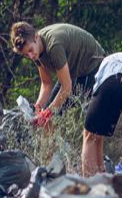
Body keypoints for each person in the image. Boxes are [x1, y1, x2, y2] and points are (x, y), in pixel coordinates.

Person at [10, 21, 107, 172]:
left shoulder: (53, 46)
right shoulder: (36, 51)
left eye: (30, 50)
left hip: (93, 67)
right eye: (25, 55)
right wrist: (37, 108)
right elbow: (46, 83)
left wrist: (47, 113)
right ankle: (48, 166)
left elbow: (66, 88)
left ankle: (93, 170)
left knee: (90, 128)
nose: (30, 56)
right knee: (47, 120)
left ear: (36, 37)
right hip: (73, 73)